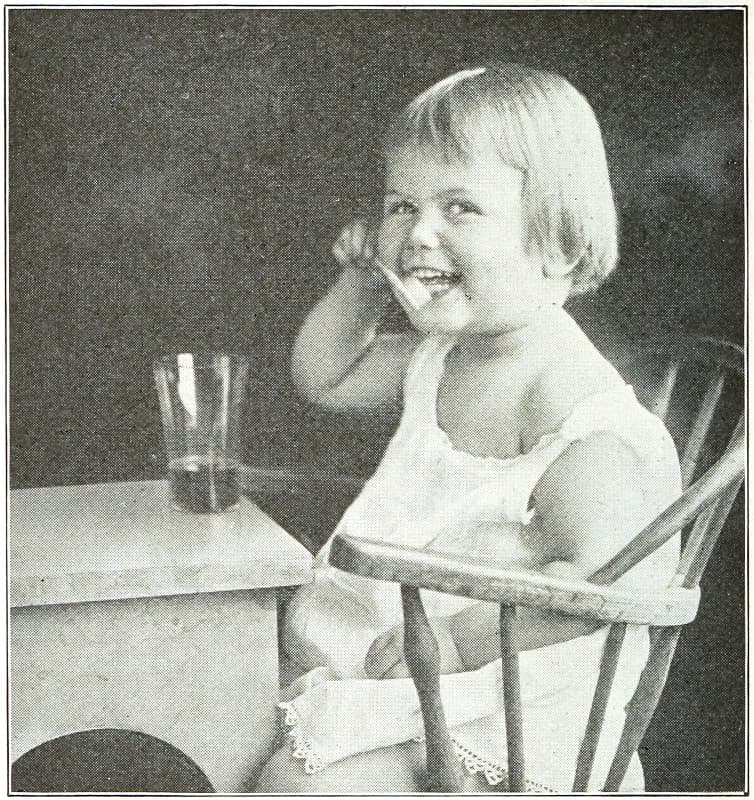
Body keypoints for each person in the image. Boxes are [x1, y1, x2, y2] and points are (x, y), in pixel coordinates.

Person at [255, 63, 682, 793]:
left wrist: (454, 640)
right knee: (215, 701)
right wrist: (359, 285)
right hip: (402, 673)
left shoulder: (580, 415)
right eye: (400, 205)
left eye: (459, 208)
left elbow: (593, 592)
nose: (417, 233)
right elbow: (324, 378)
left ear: (559, 247)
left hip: (506, 719)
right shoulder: (441, 358)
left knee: (300, 787)